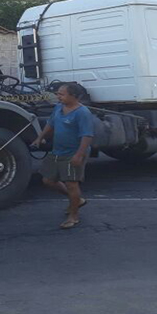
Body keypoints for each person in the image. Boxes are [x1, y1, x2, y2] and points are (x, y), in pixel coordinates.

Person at [30, 82, 95, 229]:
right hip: (57, 151)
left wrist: (79, 155)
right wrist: (39, 138)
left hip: (73, 153)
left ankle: (74, 216)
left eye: (62, 94)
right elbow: (51, 124)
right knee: (48, 180)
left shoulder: (82, 113)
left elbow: (87, 136)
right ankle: (77, 201)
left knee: (72, 184)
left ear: (74, 96)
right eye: (58, 93)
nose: (58, 96)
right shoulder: (59, 108)